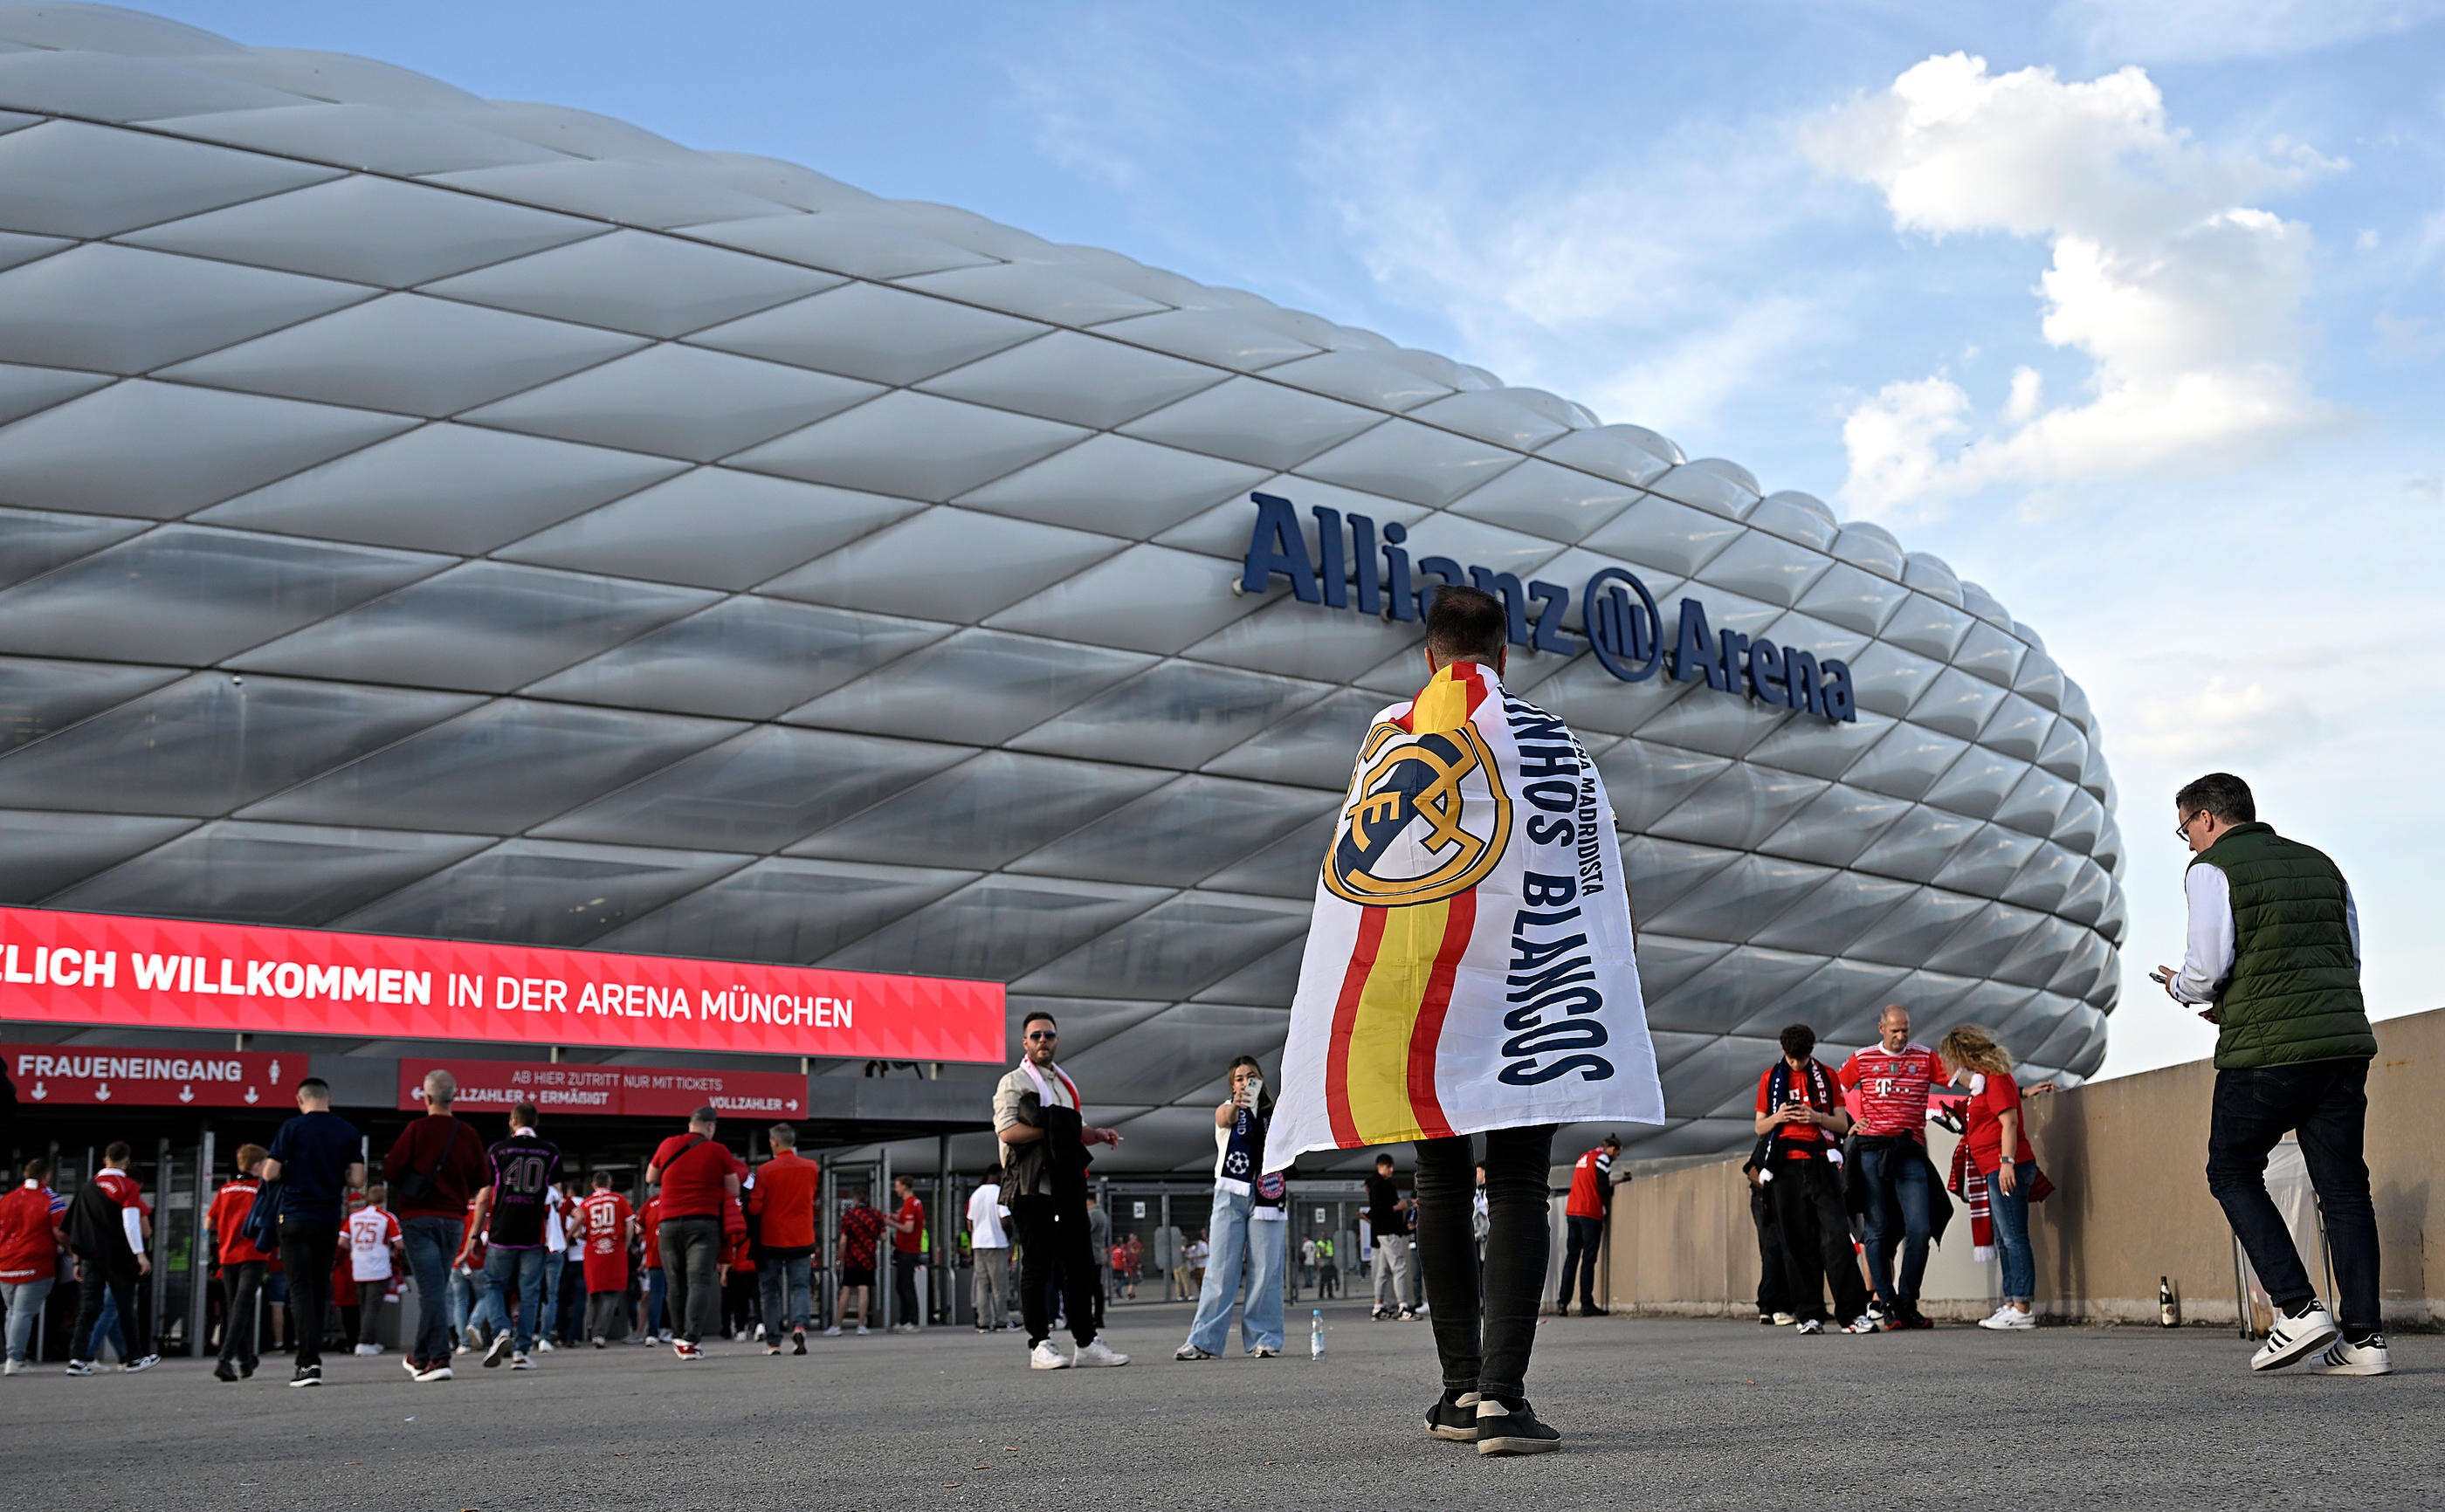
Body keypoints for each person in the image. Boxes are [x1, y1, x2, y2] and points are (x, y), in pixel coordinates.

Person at [2150, 772, 2386, 1376]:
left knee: (2231, 1169)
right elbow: (2348, 957)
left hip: (2266, 1054)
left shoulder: (2213, 869)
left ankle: (2296, 1307)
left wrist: (2180, 988)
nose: (2190, 843)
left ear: (2206, 818)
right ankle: (2364, 1341)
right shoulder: (2321, 864)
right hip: (2340, 1045)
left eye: (2186, 831)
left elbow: (2206, 968)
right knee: (2344, 1188)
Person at [995, 1009, 1128, 1370]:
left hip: (1067, 1184)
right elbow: (1008, 1132)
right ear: (1025, 1043)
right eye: (1036, 1036)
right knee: (1037, 1266)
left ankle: (1085, 1342)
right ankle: (1039, 1343)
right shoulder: (1015, 1082)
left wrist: (1096, 1134)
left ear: (1056, 1040)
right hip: (1031, 1186)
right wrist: (1057, 1128)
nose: (1043, 1041)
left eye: (1048, 1035)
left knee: (1081, 1265)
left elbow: (1074, 1127)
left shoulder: (1063, 1084)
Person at [1754, 1024, 1870, 1337]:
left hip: (1821, 1163)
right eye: (1791, 1059)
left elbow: (1843, 1123)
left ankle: (1853, 1313)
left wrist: (1815, 1117)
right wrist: (1780, 1116)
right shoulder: (1770, 1078)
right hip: (1785, 1169)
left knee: (1837, 1240)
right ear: (1783, 1052)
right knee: (1796, 1244)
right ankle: (1809, 1313)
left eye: (1801, 1059)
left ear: (1811, 1053)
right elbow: (1760, 1127)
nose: (1796, 1064)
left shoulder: (1828, 1075)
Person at [1838, 1006, 1949, 1330]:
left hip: (1909, 1152)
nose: (1901, 1037)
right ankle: (1886, 1303)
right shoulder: (1863, 1058)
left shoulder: (1924, 1057)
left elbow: (1961, 1079)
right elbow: (1837, 1087)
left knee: (1920, 1228)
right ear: (1881, 1028)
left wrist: (2008, 1084)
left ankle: (1907, 1300)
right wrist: (1850, 1124)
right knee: (1876, 1229)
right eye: (1895, 1030)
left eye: (1906, 1030)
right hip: (1872, 1152)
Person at [1176, 1055, 1291, 1361]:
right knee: (1220, 1267)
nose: (1245, 1082)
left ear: (1262, 1079)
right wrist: (1239, 1104)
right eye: (1239, 1078)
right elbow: (1223, 1117)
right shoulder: (1228, 1109)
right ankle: (1203, 1341)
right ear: (1232, 1085)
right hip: (1231, 1191)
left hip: (1268, 1192)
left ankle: (1264, 1338)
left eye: (1251, 1076)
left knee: (1267, 1267)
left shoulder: (1274, 1114)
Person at [381, 1068, 490, 1383]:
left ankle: (440, 1358)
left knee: (431, 1290)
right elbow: (482, 1178)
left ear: (426, 1096)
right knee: (436, 1288)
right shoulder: (467, 1133)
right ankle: (420, 1355)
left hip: (418, 1218)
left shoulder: (416, 1130)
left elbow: (391, 1170)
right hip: (453, 1219)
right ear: (454, 1097)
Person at [1936, 1026, 2045, 1331]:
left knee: (2013, 1237)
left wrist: (2007, 1162)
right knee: (2004, 1238)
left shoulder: (1996, 1080)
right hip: (1992, 1167)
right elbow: (1976, 1087)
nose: (1956, 1065)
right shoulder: (1987, 1080)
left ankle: (2022, 1306)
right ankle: (2012, 1302)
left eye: (1957, 1059)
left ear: (1969, 1055)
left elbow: (2009, 1122)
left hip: (2005, 1166)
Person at [261, 1080, 365, 1386]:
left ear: (299, 1099)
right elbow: (357, 1179)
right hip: (327, 1217)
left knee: (299, 1288)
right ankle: (313, 1360)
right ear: (328, 1098)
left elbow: (269, 1172)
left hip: (293, 1216)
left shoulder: (291, 1128)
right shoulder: (347, 1130)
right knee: (320, 1288)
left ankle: (306, 1363)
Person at [646, 1106, 743, 1362]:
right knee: (698, 1281)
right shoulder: (718, 1150)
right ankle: (691, 1339)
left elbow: (650, 1176)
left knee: (675, 1282)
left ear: (691, 1124)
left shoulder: (667, 1144)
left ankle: (678, 1336)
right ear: (711, 1126)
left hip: (667, 1223)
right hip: (703, 1222)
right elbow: (734, 1189)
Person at [469, 1101, 561, 1371]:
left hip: (502, 1230)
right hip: (533, 1231)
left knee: (495, 1284)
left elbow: (485, 1195)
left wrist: (475, 1234)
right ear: (537, 1122)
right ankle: (521, 1352)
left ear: (512, 1121)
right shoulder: (550, 1152)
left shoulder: (497, 1150)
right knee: (530, 1291)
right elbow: (556, 1194)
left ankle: (501, 1331)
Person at [62, 1141, 158, 1377]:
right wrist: (141, 1255)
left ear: (105, 1159)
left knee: (89, 1309)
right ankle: (134, 1358)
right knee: (125, 1307)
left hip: (90, 1258)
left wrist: (76, 1261)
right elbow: (131, 1223)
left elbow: (74, 1227)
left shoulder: (87, 1188)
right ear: (126, 1161)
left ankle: (77, 1359)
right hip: (120, 1258)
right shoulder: (127, 1186)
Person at [749, 1124, 818, 1355]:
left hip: (772, 1239)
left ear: (774, 1143)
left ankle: (774, 1342)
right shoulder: (811, 1167)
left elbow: (756, 1206)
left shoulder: (765, 1171)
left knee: (770, 1291)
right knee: (800, 1286)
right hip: (802, 1237)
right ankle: (799, 1325)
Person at [1, 1156, 65, 1376]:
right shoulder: (52, 1199)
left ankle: (11, 1355)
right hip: (35, 1264)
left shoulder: (7, 1199)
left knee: (12, 1312)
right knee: (23, 1313)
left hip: (6, 1264)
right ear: (46, 1175)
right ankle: (14, 1359)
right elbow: (59, 1232)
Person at [1555, 1134, 1619, 1316]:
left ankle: (1563, 1303)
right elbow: (1603, 1187)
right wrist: (1605, 1206)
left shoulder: (1584, 1157)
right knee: (1588, 1259)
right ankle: (1586, 1304)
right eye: (1617, 1155)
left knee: (1572, 1258)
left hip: (1573, 1212)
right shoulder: (1603, 1158)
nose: (1615, 1158)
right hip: (1590, 1213)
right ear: (1613, 1150)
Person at [575, 1172, 634, 1347]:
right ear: (610, 1183)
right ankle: (599, 1333)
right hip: (615, 1251)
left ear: (593, 1185)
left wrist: (589, 1239)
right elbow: (630, 1224)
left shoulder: (585, 1204)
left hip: (593, 1253)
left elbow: (578, 1232)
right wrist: (626, 1245)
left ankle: (590, 1329)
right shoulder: (619, 1200)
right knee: (612, 1294)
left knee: (593, 1293)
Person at [343, 1184, 403, 1356]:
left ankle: (368, 1339)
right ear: (384, 1199)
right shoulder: (387, 1217)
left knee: (364, 1306)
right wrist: (392, 1251)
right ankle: (364, 1342)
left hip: (359, 1265)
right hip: (379, 1266)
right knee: (373, 1308)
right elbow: (399, 1242)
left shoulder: (355, 1217)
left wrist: (354, 1250)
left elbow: (342, 1241)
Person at [1740, 1152, 1793, 1325]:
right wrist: (1770, 1187)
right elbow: (1750, 1168)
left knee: (1775, 1251)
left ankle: (1771, 1305)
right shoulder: (1772, 1137)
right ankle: (1774, 1305)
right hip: (1766, 1199)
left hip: (1776, 1197)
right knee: (1773, 1251)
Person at [827, 1189, 884, 1336]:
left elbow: (843, 1240)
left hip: (852, 1258)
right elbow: (883, 1236)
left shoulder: (850, 1216)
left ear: (856, 1200)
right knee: (863, 1289)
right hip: (869, 1258)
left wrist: (840, 1256)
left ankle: (837, 1325)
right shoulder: (876, 1215)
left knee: (846, 1289)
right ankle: (861, 1325)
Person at [1365, 1154, 1415, 1321]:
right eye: (1388, 1166)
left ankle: (1378, 1307)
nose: (1392, 1170)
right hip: (1389, 1233)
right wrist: (1398, 1206)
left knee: (1383, 1271)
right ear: (1381, 1167)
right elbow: (1380, 1211)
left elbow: (1375, 1212)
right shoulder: (1382, 1185)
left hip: (1381, 1234)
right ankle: (1403, 1307)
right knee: (1399, 1268)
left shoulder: (1374, 1185)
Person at [967, 1168, 1014, 1332]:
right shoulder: (998, 1193)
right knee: (999, 1284)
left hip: (978, 1244)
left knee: (981, 1284)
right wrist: (1008, 1234)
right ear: (998, 1175)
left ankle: (983, 1321)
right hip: (996, 1243)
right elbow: (1005, 1218)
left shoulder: (976, 1194)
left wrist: (976, 1236)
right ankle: (1002, 1320)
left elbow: (970, 1222)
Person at [887, 1174, 925, 1332]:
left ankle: (911, 1320)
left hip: (907, 1250)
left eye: (897, 1186)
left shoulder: (909, 1204)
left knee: (905, 1285)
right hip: (910, 1249)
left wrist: (890, 1222)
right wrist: (896, 1216)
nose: (896, 1189)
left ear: (904, 1186)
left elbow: (908, 1228)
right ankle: (905, 1320)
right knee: (902, 1285)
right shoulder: (916, 1203)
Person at [635, 1185, 667, 1344]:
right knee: (677, 1293)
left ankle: (652, 1333)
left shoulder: (649, 1204)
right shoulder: (676, 1200)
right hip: (674, 1255)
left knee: (656, 1294)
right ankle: (676, 1331)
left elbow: (638, 1228)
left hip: (654, 1255)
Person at [1084, 1192, 1112, 1329]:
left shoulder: (1093, 1214)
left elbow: (1084, 1231)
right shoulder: (1102, 1213)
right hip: (1098, 1254)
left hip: (1092, 1255)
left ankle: (1095, 1317)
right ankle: (1098, 1317)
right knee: (1097, 1287)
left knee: (1091, 1288)